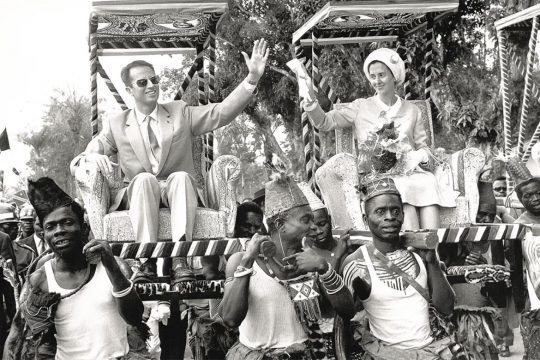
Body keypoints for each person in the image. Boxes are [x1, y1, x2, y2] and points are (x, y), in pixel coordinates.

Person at [70, 39, 269, 284]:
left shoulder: (179, 112)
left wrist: (251, 80)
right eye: (143, 82)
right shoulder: (117, 123)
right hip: (140, 192)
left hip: (180, 190)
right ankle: (146, 261)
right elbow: (91, 150)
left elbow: (220, 113)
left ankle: (180, 260)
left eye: (154, 79)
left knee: (182, 177)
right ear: (130, 90)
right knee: (143, 180)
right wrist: (91, 157)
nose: (151, 85)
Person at [300, 48, 457, 230]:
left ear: (394, 76)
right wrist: (311, 102)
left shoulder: (413, 110)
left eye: (381, 75)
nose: (376, 81)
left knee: (429, 181)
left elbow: (424, 147)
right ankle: (412, 249)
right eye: (373, 76)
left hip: (409, 172)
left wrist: (421, 155)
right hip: (375, 175)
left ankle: (432, 250)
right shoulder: (360, 106)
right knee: (401, 188)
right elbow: (325, 122)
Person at [219, 173, 355, 359]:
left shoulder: (311, 261)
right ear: (281, 225)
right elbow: (230, 319)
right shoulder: (241, 260)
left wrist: (325, 269)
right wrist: (247, 262)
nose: (314, 227)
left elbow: (346, 311)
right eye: (306, 220)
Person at [8, 177, 144, 359]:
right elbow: (17, 335)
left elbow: (134, 318)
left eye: (67, 222)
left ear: (84, 228)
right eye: (51, 226)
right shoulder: (41, 278)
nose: (59, 230)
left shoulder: (114, 266)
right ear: (45, 235)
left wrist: (111, 266)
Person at [341, 177, 457, 359]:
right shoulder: (356, 263)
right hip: (385, 355)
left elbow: (447, 308)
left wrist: (433, 263)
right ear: (366, 219)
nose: (390, 217)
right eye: (380, 212)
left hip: (431, 352)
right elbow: (346, 317)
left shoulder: (419, 254)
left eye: (395, 210)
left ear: (403, 215)